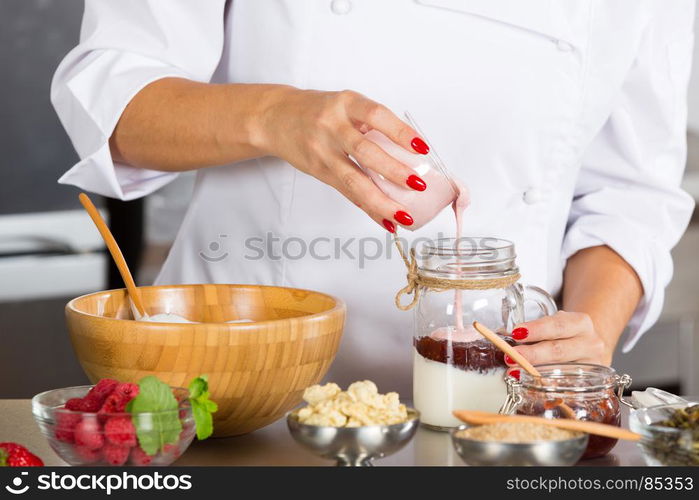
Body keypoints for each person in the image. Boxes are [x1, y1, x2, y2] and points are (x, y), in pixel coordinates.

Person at [52, 0, 695, 393]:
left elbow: (629, 191)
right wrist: (273, 113)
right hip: (231, 384)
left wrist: (587, 337)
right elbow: (111, 102)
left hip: (498, 411)